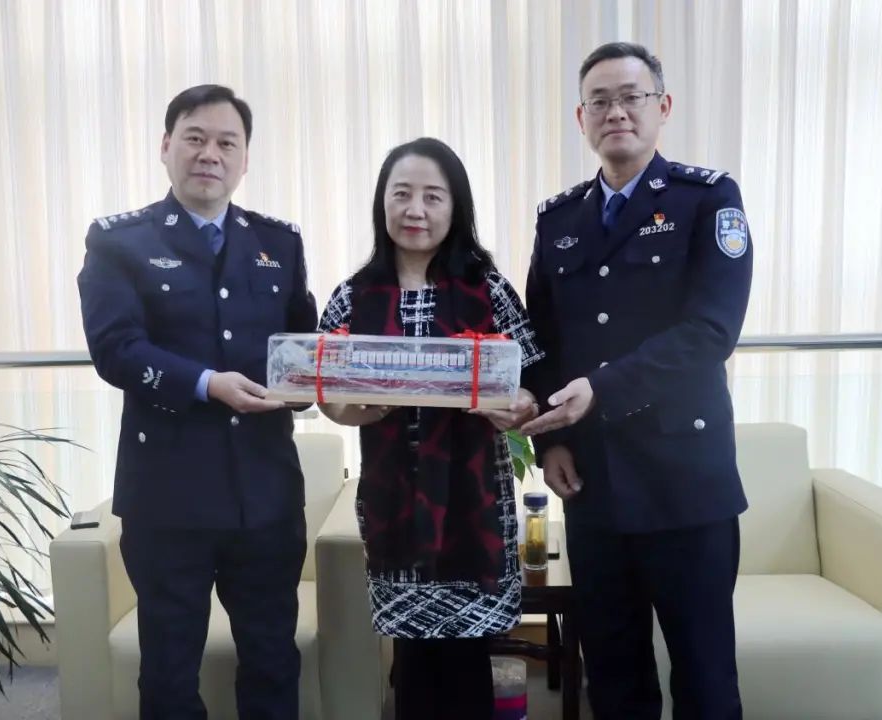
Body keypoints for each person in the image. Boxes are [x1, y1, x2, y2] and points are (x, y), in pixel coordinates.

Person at [521, 42, 753, 719]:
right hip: (592, 484)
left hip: (687, 484)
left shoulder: (707, 199)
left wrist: (602, 389)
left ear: (662, 107)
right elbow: (541, 341)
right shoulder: (558, 219)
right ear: (581, 117)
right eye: (600, 101)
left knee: (705, 679)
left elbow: (710, 332)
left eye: (631, 97)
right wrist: (550, 443)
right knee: (614, 676)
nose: (616, 112)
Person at [77, 84, 317, 720]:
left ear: (245, 160)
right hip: (167, 498)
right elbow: (116, 349)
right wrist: (209, 383)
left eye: (227, 143)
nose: (211, 154)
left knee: (273, 658)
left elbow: (304, 347)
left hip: (265, 494)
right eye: (195, 138)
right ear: (166, 146)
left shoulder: (278, 244)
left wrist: (341, 386)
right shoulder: (119, 242)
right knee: (169, 670)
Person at [317, 137, 543, 720]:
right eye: (402, 194)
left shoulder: (488, 289)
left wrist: (518, 406)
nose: (415, 210)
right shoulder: (353, 295)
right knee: (413, 664)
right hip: (394, 507)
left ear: (455, 207)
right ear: (382, 203)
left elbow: (532, 380)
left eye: (432, 197)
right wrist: (347, 412)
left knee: (467, 662)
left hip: (476, 504)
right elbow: (324, 389)